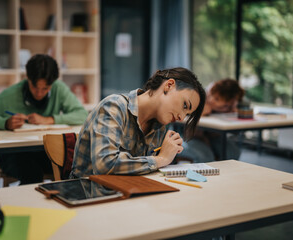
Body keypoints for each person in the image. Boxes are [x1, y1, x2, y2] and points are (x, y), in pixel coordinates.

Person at [0, 54, 88, 184]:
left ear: (52, 84)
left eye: (45, 89)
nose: (39, 93)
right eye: (35, 87)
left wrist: (50, 119)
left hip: (45, 151)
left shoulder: (58, 88)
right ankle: (25, 204)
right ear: (27, 78)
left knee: (71, 167)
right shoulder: (12, 94)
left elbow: (83, 115)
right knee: (32, 174)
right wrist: (5, 123)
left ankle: (63, 203)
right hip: (14, 154)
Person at [70, 67, 206, 178]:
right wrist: (161, 159)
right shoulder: (114, 106)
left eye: (187, 114)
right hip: (89, 197)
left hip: (128, 195)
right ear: (169, 85)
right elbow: (105, 164)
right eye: (184, 105)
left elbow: (146, 172)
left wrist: (169, 154)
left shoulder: (160, 127)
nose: (181, 118)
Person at [176, 78, 245, 162]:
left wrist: (232, 109)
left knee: (233, 153)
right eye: (216, 98)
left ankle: (224, 173)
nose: (223, 108)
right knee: (206, 157)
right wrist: (199, 113)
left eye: (227, 105)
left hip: (210, 137)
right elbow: (186, 128)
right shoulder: (195, 97)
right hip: (187, 136)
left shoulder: (227, 105)